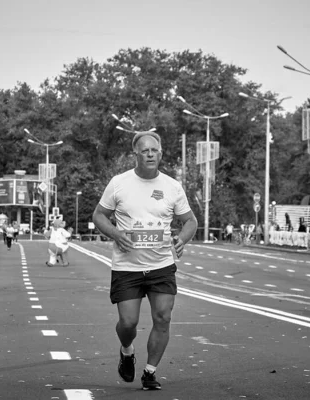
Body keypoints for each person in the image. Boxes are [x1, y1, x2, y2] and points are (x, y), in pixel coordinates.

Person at [92, 130, 197, 391]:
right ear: (135, 155)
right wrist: (116, 233)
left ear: (160, 154)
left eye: (154, 150)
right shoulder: (119, 183)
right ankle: (126, 351)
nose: (150, 154)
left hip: (161, 265)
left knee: (163, 317)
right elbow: (99, 216)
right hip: (127, 266)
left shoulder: (172, 186)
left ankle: (150, 372)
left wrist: (182, 239)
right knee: (128, 323)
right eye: (145, 150)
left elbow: (190, 221)